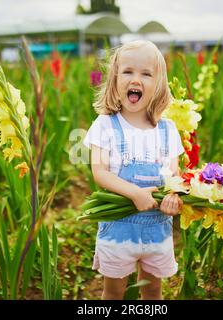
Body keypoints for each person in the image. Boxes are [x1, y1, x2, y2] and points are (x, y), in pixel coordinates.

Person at [83, 40, 184, 300]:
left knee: (152, 290)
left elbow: (174, 177)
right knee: (114, 291)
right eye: (128, 72)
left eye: (146, 74)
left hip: (157, 230)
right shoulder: (105, 125)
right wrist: (135, 194)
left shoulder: (168, 130)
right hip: (119, 231)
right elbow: (100, 172)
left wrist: (173, 196)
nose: (135, 79)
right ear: (115, 80)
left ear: (158, 85)